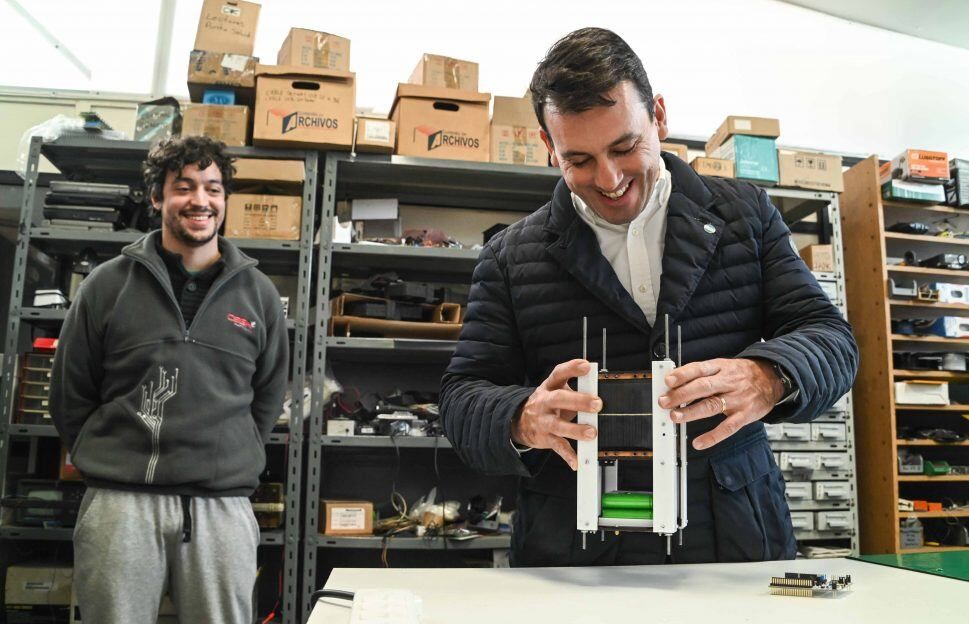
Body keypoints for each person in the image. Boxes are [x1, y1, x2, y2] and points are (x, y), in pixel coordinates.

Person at [440, 27, 858, 566]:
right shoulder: (509, 255)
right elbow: (461, 398)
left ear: (658, 116)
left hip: (731, 533)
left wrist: (769, 376)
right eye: (579, 160)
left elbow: (831, 339)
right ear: (548, 147)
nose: (610, 178)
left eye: (624, 147)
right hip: (574, 549)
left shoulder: (746, 215)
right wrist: (520, 416)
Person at [50, 136, 289, 622]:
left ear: (224, 199)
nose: (201, 200)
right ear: (157, 198)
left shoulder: (259, 295)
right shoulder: (106, 286)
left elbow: (267, 397)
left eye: (213, 189)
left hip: (220, 508)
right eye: (184, 187)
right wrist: (111, 459)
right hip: (121, 505)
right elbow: (69, 395)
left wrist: (229, 456)